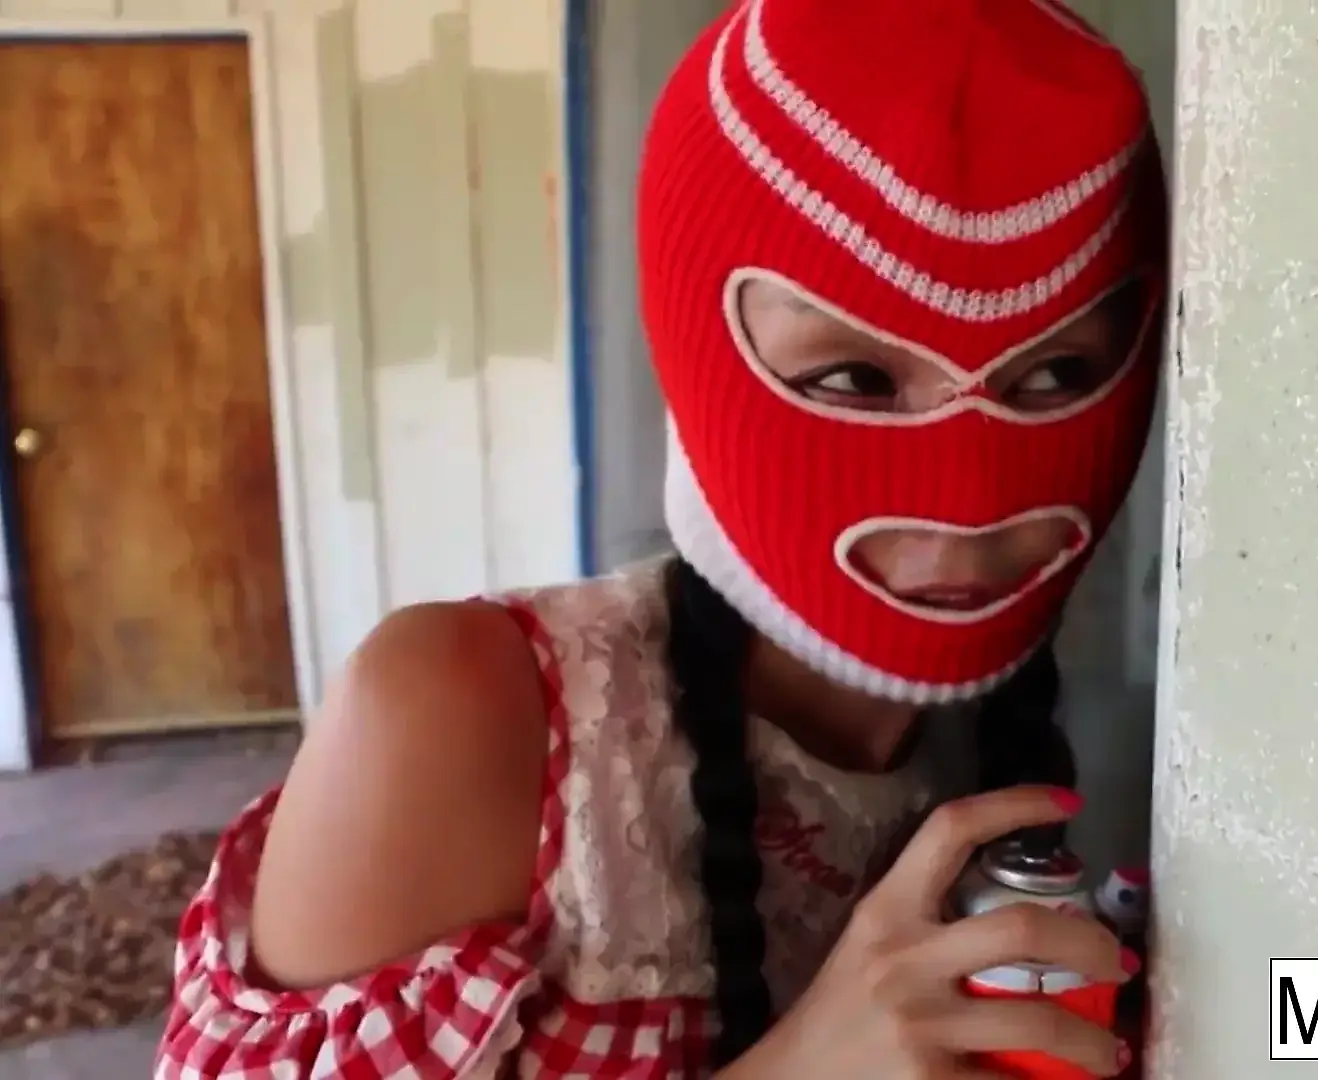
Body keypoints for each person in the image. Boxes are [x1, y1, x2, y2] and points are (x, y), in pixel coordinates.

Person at [155, 0, 1165, 1074]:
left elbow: (1315, 1018)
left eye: (1055, 374)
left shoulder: (1109, 754)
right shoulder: (468, 723)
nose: (967, 498)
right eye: (852, 377)